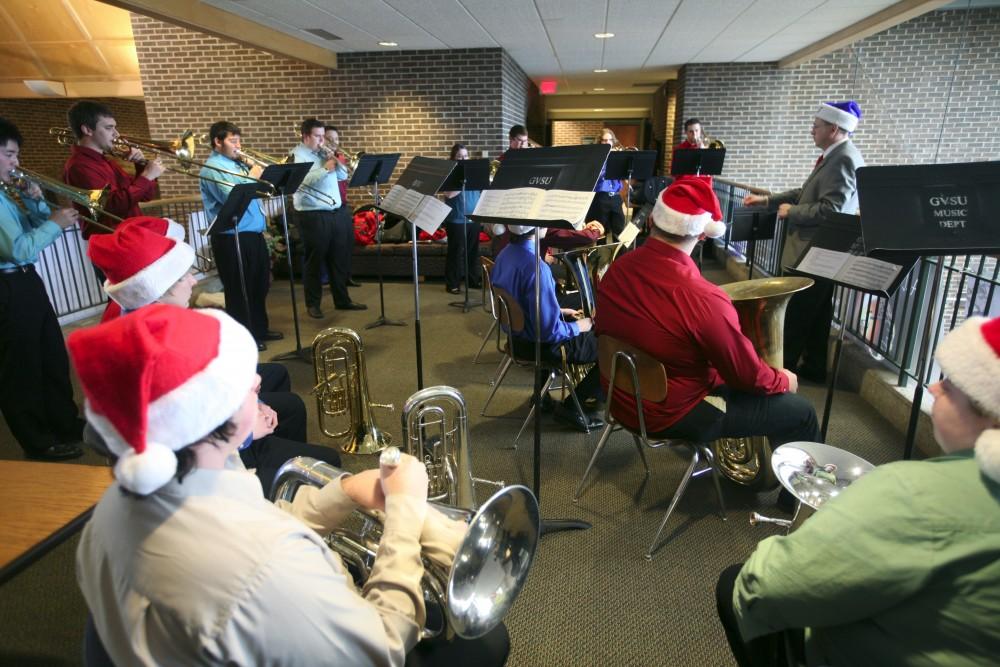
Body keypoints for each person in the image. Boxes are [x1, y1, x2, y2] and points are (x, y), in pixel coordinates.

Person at [71, 305, 509, 666]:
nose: (259, 381)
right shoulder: (264, 564)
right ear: (207, 417)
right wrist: (406, 513)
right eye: (243, 386)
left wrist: (342, 493)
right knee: (486, 645)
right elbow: (383, 646)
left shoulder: (114, 505)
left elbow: (256, 516)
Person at [716, 314, 1000, 666]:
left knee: (733, 584)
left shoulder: (914, 494)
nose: (933, 388)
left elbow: (763, 586)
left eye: (951, 384)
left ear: (990, 414)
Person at [86, 216, 340, 494]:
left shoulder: (153, 322)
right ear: (156, 290)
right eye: (183, 276)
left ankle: (284, 494)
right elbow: (178, 434)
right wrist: (245, 433)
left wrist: (253, 404)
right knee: (328, 462)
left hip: (212, 440)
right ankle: (276, 500)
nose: (194, 281)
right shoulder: (150, 350)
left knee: (289, 406)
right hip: (201, 475)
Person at [595, 178, 819, 447]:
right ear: (703, 234)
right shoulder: (705, 298)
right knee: (802, 413)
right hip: (667, 413)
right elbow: (747, 376)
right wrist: (782, 380)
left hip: (617, 398)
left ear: (653, 221)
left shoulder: (617, 268)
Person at [743, 101, 865, 382]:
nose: (812, 130)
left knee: (797, 315)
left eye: (817, 126)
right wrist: (768, 200)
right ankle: (814, 366)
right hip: (815, 252)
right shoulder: (834, 156)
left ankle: (782, 374)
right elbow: (806, 191)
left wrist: (792, 211)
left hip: (816, 253)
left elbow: (833, 209)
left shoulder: (844, 158)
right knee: (817, 314)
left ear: (834, 128)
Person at [0, 117, 85, 461]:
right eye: (9, 154)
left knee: (51, 355)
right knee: (21, 368)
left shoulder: (5, 194)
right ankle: (37, 440)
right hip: (7, 284)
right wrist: (54, 222)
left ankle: (65, 423)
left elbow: (32, 229)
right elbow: (17, 249)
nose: (16, 163)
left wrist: (36, 203)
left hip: (25, 280)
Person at [491, 224, 603, 432]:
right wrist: (580, 326)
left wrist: (558, 312)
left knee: (571, 319)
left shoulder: (504, 255)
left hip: (517, 340)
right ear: (537, 228)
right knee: (609, 346)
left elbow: (524, 308)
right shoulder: (537, 267)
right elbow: (549, 332)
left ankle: (540, 396)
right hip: (541, 345)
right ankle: (572, 407)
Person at [199, 120, 282, 350]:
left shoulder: (237, 165)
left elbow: (261, 191)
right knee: (239, 290)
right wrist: (253, 176)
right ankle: (245, 339)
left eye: (239, 140)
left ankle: (259, 329)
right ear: (217, 141)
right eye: (233, 141)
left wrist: (258, 174)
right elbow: (231, 197)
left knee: (258, 285)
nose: (239, 146)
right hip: (230, 236)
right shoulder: (212, 168)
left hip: (251, 234)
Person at [290, 118, 365, 319]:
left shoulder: (323, 153)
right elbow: (300, 182)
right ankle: (313, 304)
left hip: (336, 211)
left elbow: (342, 177)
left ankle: (342, 300)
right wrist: (325, 167)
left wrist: (335, 161)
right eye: (318, 136)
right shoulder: (297, 155)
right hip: (312, 215)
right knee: (315, 261)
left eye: (323, 136)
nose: (322, 140)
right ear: (306, 136)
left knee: (338, 258)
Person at [62, 100, 164, 239]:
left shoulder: (106, 161)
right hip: (113, 242)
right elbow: (111, 206)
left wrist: (140, 165)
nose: (116, 134)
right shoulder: (79, 166)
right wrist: (146, 176)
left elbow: (145, 196)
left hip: (130, 235)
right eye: (109, 128)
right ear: (87, 130)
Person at [442, 142, 483, 294]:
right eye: (460, 157)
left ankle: (472, 280)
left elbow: (479, 193)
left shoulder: (474, 172)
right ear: (453, 159)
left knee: (473, 251)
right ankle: (452, 284)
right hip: (456, 220)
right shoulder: (449, 173)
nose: (463, 159)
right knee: (456, 252)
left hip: (473, 218)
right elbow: (448, 194)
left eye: (465, 156)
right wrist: (462, 180)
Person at [325, 125, 362, 288]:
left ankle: (347, 276)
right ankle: (328, 279)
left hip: (343, 204)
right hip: (328, 207)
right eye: (329, 139)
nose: (333, 142)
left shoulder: (340, 157)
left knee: (348, 242)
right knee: (332, 246)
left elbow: (344, 177)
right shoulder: (322, 158)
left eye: (336, 139)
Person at [586, 129, 626, 238]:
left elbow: (623, 176)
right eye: (604, 140)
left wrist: (622, 163)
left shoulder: (617, 156)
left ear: (613, 141)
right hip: (600, 197)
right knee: (599, 232)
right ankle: (598, 254)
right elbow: (594, 177)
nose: (607, 142)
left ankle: (620, 255)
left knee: (619, 231)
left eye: (609, 140)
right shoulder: (595, 157)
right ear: (600, 142)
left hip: (616, 197)